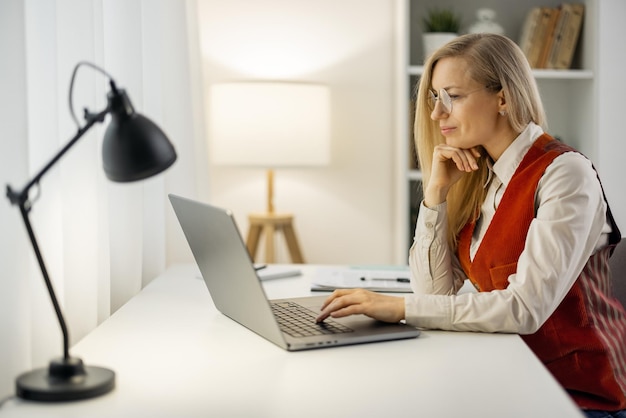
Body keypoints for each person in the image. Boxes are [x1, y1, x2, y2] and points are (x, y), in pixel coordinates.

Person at [315, 33, 626, 417]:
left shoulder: (565, 174)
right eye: (433, 97)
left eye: (452, 96)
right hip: (506, 375)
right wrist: (435, 194)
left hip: (574, 398)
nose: (435, 114)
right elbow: (436, 294)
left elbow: (523, 310)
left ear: (503, 97)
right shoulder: (483, 178)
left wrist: (398, 308)